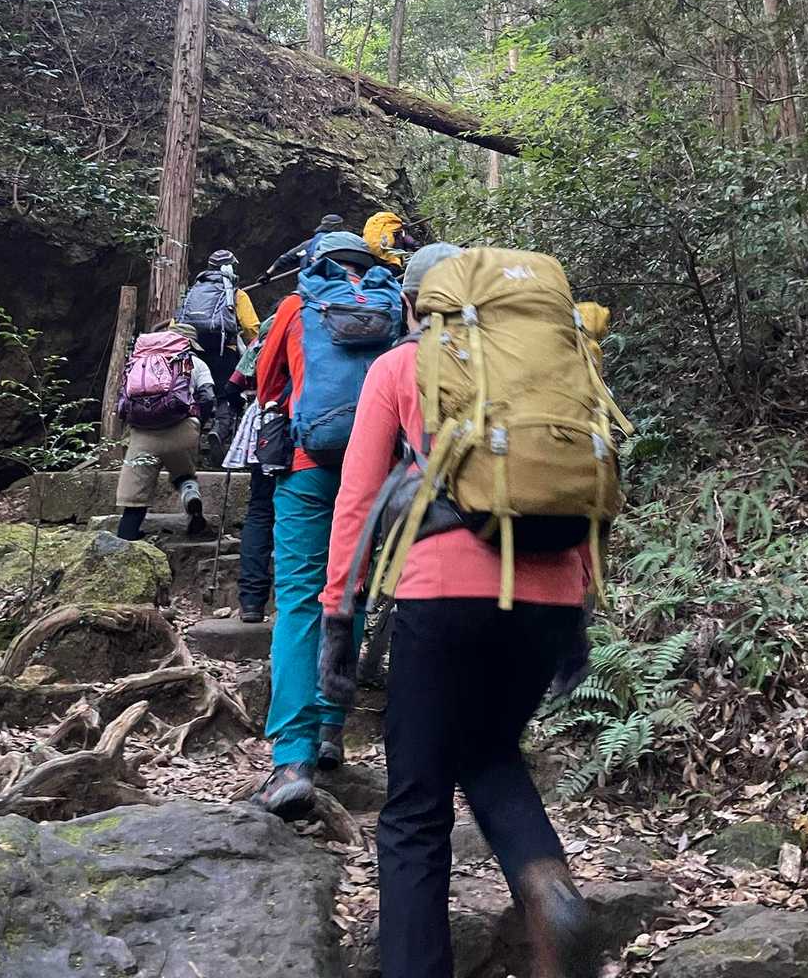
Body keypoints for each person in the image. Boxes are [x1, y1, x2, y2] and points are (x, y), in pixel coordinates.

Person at [317, 243, 598, 978]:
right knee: (489, 752)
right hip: (550, 594)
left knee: (415, 806)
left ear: (413, 304)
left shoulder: (398, 367)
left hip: (442, 591)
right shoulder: (541, 369)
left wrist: (339, 614)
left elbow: (357, 501)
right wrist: (579, 608)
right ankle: (549, 887)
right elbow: (577, 483)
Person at [250, 230, 400, 816]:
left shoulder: (296, 306)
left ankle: (293, 758)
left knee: (297, 600)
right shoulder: (394, 306)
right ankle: (333, 727)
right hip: (376, 471)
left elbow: (266, 385)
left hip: (309, 467)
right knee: (350, 592)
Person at [115, 321, 215, 541]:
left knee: (135, 497)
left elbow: (124, 397)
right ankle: (191, 499)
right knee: (184, 475)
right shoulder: (196, 363)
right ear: (190, 343)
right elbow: (208, 397)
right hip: (181, 428)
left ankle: (126, 539)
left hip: (142, 433)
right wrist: (198, 421)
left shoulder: (139, 360)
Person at [178, 249, 259, 458]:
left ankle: (191, 440)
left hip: (195, 353)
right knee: (227, 396)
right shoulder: (235, 293)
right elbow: (250, 327)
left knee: (198, 396)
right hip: (225, 353)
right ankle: (219, 431)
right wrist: (255, 351)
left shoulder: (194, 291)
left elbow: (177, 322)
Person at [223, 316, 276, 623]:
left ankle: (252, 602)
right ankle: (294, 602)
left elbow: (233, 385)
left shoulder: (262, 341)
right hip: (305, 426)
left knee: (260, 511)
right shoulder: (318, 333)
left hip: (264, 427)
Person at [255, 213, 344, 287]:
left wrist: (267, 274)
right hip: (337, 284)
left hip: (309, 285)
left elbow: (284, 258)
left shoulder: (308, 244)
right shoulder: (345, 243)